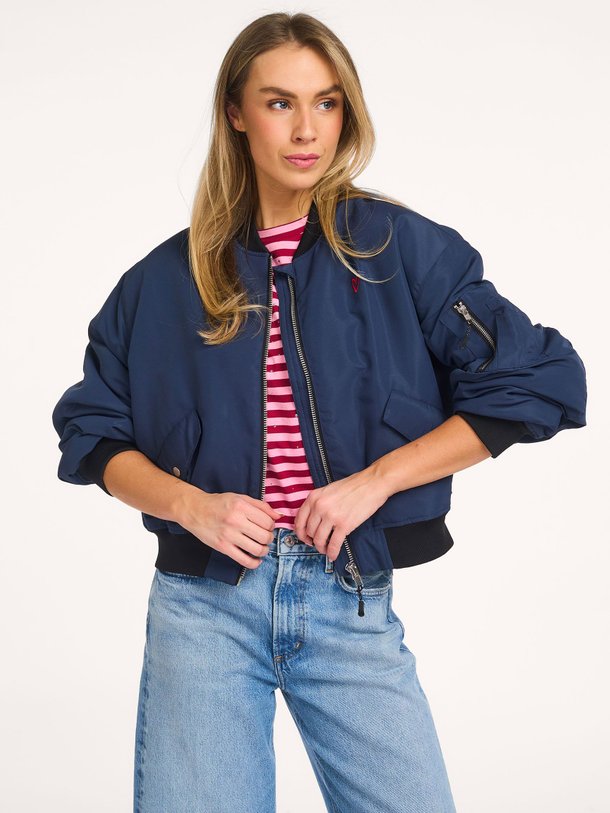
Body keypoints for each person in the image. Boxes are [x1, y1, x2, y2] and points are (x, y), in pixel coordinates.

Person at [51, 12, 587, 813]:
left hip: (347, 592)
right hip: (203, 610)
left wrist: (377, 480)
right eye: (280, 103)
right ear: (236, 112)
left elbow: (538, 379)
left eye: (327, 102)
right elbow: (94, 434)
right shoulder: (163, 281)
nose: (307, 130)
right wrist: (191, 506)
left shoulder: (399, 250)